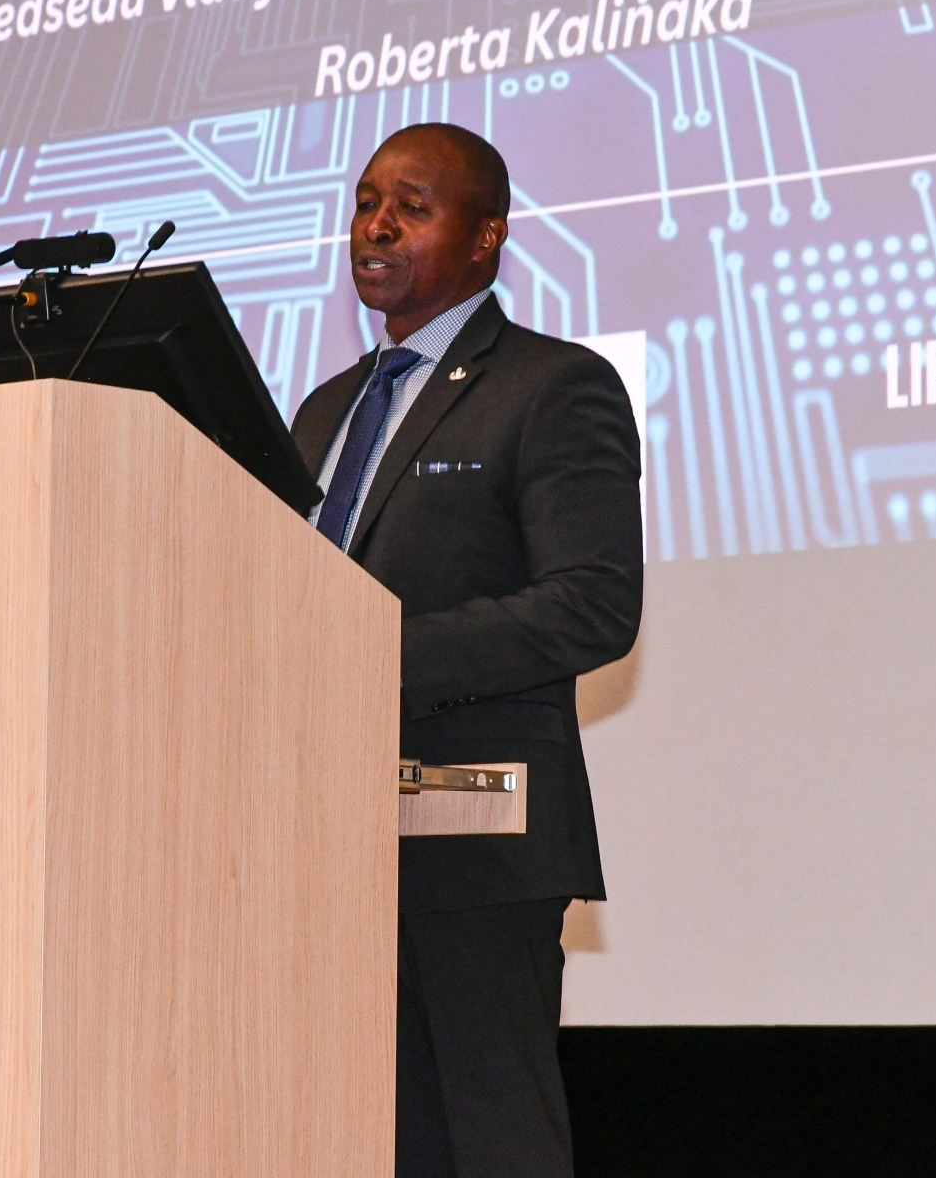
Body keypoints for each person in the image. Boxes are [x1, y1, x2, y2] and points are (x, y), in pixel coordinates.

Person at [290, 123, 643, 1178]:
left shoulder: (551, 385)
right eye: (365, 202)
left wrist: (369, 655)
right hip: (321, 842)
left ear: (487, 237)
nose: (376, 226)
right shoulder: (323, 412)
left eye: (412, 206)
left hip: (475, 843)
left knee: (490, 1147)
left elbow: (593, 604)